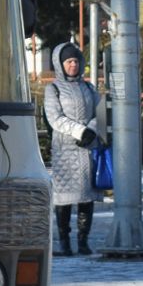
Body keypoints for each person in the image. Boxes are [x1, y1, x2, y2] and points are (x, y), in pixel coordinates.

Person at [44, 41, 102, 256]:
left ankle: (83, 241)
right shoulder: (53, 89)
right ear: (60, 64)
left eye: (76, 61)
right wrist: (79, 131)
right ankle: (64, 242)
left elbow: (101, 113)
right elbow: (55, 118)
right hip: (65, 150)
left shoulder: (89, 87)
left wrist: (92, 130)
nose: (73, 65)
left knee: (87, 197)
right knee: (65, 198)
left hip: (88, 149)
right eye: (69, 61)